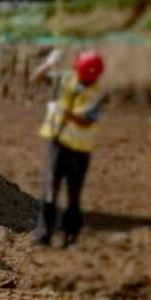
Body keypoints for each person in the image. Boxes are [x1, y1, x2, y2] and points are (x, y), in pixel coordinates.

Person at [30, 47, 106, 247]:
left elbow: (85, 120)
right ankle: (44, 236)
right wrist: (50, 62)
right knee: (50, 191)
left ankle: (70, 235)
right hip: (59, 145)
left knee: (74, 194)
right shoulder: (65, 78)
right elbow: (36, 78)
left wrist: (62, 111)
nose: (85, 81)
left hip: (80, 151)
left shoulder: (97, 92)